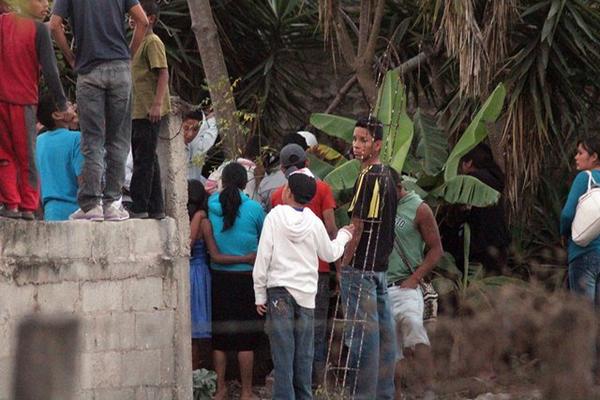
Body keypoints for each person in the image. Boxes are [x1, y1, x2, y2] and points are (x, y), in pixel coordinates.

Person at [253, 168, 354, 399]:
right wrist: (345, 236)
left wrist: (260, 294)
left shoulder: (274, 217)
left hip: (279, 293)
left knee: (283, 356)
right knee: (304, 356)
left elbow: (263, 258)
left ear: (288, 192)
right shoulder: (314, 222)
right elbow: (329, 254)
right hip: (307, 297)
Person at [50, 0, 149, 221]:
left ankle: (91, 205)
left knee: (92, 140)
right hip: (120, 69)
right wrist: (128, 55)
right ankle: (113, 203)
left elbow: (54, 24)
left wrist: (70, 56)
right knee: (119, 139)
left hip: (89, 71)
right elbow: (142, 21)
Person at [340, 116, 398, 399]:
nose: (356, 145)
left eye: (363, 140)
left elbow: (358, 225)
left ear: (377, 144)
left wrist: (345, 261)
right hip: (380, 268)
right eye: (354, 139)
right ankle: (384, 393)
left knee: (364, 337)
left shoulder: (367, 176)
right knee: (385, 335)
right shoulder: (389, 175)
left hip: (361, 267)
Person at [270, 143, 338, 386]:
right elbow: (331, 229)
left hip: (284, 275)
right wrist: (338, 270)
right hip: (316, 271)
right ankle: (314, 383)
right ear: (307, 163)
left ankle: (288, 384)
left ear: (282, 168)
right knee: (314, 330)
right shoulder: (322, 188)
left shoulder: (278, 195)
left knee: (287, 333)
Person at [0, 0, 74, 220]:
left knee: (4, 155)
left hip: (2, 100)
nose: (46, 5)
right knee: (26, 156)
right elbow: (51, 71)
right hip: (24, 101)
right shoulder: (39, 29)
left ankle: (11, 203)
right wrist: (63, 104)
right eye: (39, 0)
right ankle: (27, 205)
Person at [208, 162, 265, 400]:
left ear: (222, 181)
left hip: (219, 278)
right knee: (245, 341)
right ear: (244, 183)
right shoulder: (254, 208)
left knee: (220, 338)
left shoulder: (210, 205)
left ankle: (220, 388)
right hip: (246, 279)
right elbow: (264, 241)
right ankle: (247, 392)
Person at [187, 179, 256, 370]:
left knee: (194, 331)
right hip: (199, 275)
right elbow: (199, 248)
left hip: (194, 274)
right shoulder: (202, 219)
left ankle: (198, 377)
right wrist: (245, 259)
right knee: (197, 331)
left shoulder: (197, 219)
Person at [386, 170, 443, 400]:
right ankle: (395, 394)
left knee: (415, 332)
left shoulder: (419, 208)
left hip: (406, 287)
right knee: (391, 348)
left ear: (398, 186)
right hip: (382, 285)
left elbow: (436, 249)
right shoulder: (378, 206)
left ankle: (429, 389)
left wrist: (415, 278)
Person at [128, 0, 170, 219]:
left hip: (148, 109)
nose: (130, 18)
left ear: (150, 18)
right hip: (137, 109)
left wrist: (157, 103)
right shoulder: (137, 43)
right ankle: (155, 207)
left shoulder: (152, 41)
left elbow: (163, 72)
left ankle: (139, 204)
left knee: (143, 158)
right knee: (148, 156)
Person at [444, 143, 510, 275]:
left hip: (478, 246)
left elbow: (460, 213)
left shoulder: (472, 181)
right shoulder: (495, 179)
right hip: (499, 243)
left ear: (469, 163)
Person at [561, 136, 600, 303]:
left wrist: (563, 234)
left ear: (594, 157)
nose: (576, 157)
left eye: (580, 153)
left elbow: (567, 214)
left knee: (583, 317)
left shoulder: (585, 177)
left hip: (584, 253)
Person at [35, 94, 84, 221]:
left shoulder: (38, 141)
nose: (73, 106)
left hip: (49, 212)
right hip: (75, 211)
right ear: (57, 115)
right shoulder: (77, 139)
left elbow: (35, 183)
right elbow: (83, 180)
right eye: (67, 104)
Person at [182, 105, 221, 183]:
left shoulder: (199, 145)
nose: (190, 134)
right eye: (186, 128)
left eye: (195, 129)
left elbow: (210, 132)